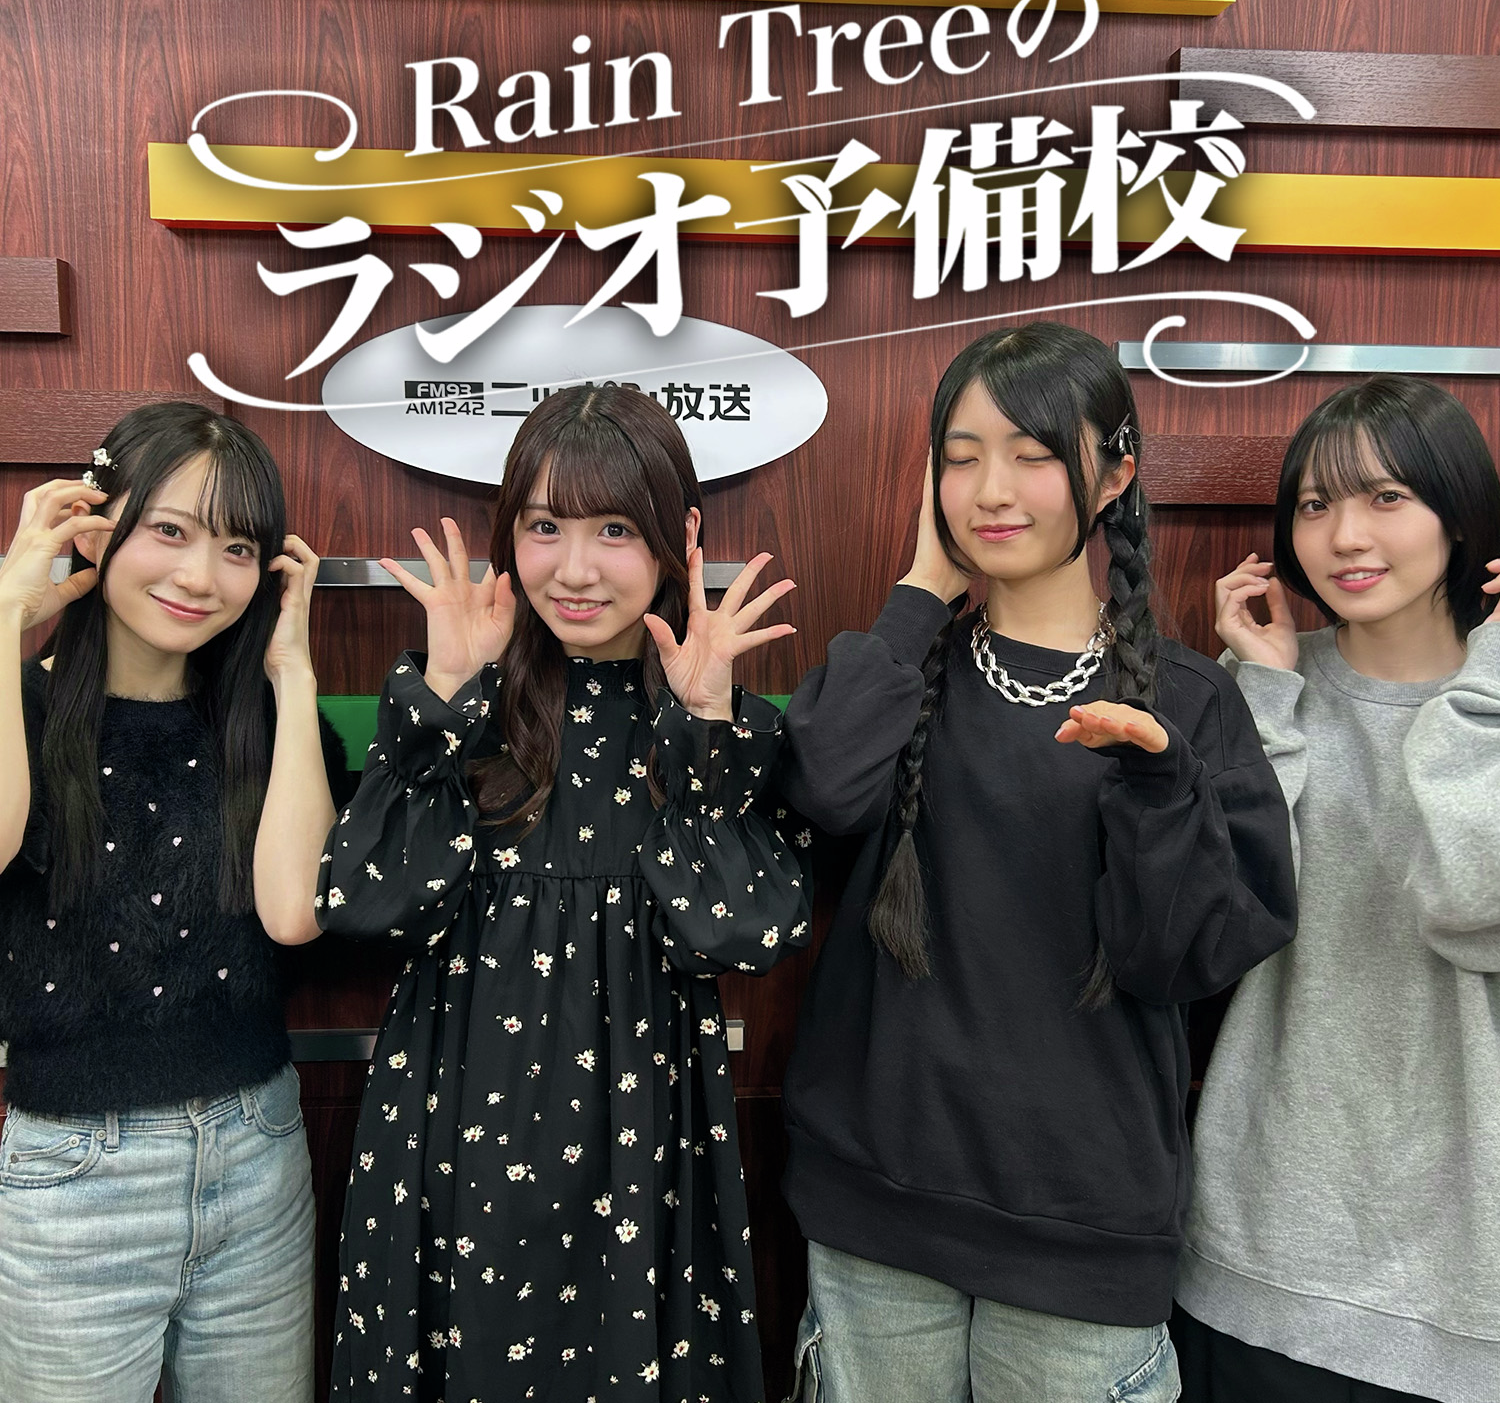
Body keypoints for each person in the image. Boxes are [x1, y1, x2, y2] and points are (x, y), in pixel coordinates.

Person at [777, 322, 1298, 1403]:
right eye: (961, 457)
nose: (991, 491)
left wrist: (1159, 786)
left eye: (1033, 454)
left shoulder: (1192, 702)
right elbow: (822, 793)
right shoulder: (900, 668)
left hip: (1082, 1231)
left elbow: (1185, 964)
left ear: (1114, 474)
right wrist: (919, 591)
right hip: (876, 1208)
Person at [316, 382, 810, 1403]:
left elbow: (750, 935)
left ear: (679, 539)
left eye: (614, 530)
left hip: (644, 1152)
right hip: (454, 1140)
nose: (574, 569)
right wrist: (444, 702)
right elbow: (361, 903)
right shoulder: (463, 709)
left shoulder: (716, 727)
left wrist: (703, 733)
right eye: (544, 527)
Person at [0, 401, 347, 1401]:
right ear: (93, 526)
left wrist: (292, 671)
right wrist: (9, 615)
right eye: (169, 530)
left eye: (237, 548)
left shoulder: (271, 726)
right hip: (73, 1178)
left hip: (260, 1153)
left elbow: (294, 913)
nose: (201, 577)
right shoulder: (23, 706)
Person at [1174, 376, 1500, 1403]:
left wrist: (1492, 673)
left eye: (1387, 497)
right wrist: (1265, 695)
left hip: (1463, 1285)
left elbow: (1473, 908)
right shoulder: (1256, 689)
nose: (1346, 536)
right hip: (1260, 1251)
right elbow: (1217, 924)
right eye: (1316, 504)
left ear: (1461, 514)